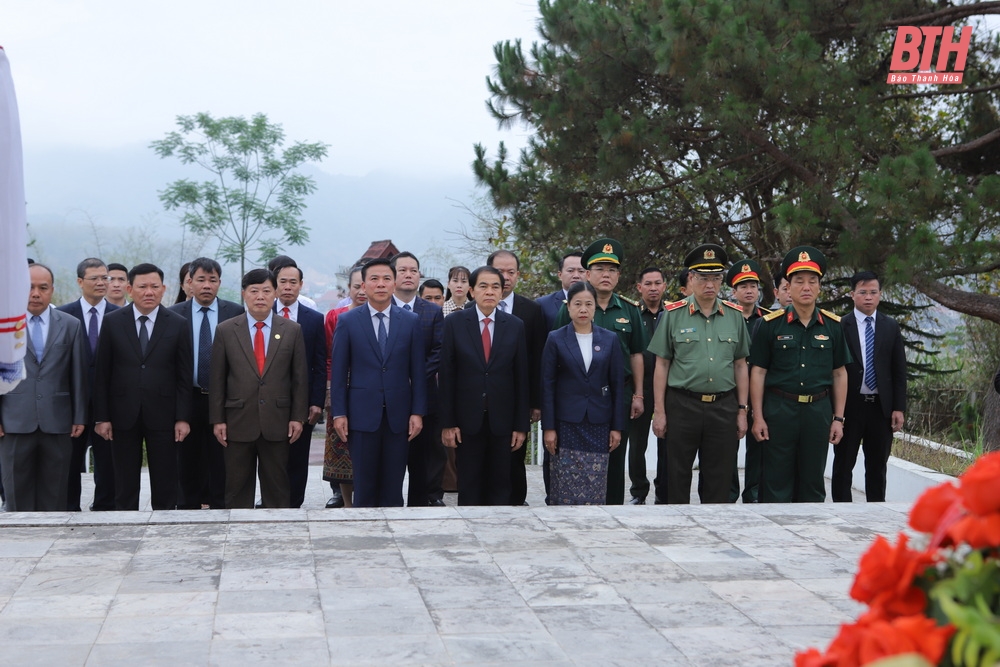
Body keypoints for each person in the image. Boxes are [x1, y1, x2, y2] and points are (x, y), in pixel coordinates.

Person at [649, 244, 750, 504]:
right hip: (682, 405)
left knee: (719, 478)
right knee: (676, 475)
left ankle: (715, 533)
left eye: (716, 278)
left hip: (723, 406)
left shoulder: (734, 316)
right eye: (703, 278)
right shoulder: (673, 314)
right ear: (691, 279)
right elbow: (661, 364)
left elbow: (741, 365)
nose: (710, 284)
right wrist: (659, 411)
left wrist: (741, 410)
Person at [750, 247, 850, 503]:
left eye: (812, 282)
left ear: (819, 288)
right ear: (788, 287)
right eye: (799, 282)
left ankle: (811, 539)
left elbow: (839, 373)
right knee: (775, 482)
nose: (806, 287)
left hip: (818, 412)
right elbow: (758, 371)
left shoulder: (834, 326)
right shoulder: (770, 325)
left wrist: (838, 418)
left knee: (813, 482)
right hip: (779, 410)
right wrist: (758, 416)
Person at [93, 263, 193, 510]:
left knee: (166, 479)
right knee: (124, 481)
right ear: (129, 289)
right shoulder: (113, 322)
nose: (149, 292)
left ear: (163, 289)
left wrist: (183, 418)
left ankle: (164, 527)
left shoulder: (177, 323)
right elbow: (102, 373)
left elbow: (183, 376)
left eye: (154, 286)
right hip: (122, 413)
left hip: (164, 413)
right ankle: (125, 526)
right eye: (142, 286)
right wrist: (102, 417)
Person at [554, 238, 646, 505]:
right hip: (578, 396)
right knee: (574, 458)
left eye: (612, 270)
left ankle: (614, 510)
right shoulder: (569, 309)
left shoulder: (630, 310)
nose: (606, 275)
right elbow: (558, 351)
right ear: (588, 274)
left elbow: (637, 353)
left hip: (619, 393)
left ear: (618, 275)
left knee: (615, 455)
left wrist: (639, 394)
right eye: (600, 269)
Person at [330, 259, 426, 508]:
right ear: (364, 285)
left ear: (394, 283)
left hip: (399, 415)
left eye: (386, 278)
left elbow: (418, 372)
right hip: (361, 415)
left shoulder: (411, 321)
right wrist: (339, 413)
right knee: (364, 485)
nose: (380, 284)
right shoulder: (348, 321)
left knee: (394, 485)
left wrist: (417, 412)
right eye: (374, 279)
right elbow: (339, 374)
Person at [209, 268, 308, 509]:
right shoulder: (226, 330)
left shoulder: (291, 330)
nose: (260, 296)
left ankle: (278, 534)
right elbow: (218, 378)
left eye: (266, 291)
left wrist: (298, 417)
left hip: (278, 418)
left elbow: (300, 378)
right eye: (254, 291)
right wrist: (218, 419)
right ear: (244, 294)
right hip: (237, 419)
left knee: (277, 486)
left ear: (275, 293)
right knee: (237, 485)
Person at [0, 264, 88, 511]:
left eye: (42, 287)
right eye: (28, 287)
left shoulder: (70, 325)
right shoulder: (4, 326)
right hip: (13, 421)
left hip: (58, 420)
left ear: (53, 290)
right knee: (17, 494)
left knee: (56, 492)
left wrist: (79, 415)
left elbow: (78, 374)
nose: (35, 293)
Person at [440, 265, 529, 506]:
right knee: (469, 485)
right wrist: (448, 423)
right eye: (483, 286)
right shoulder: (454, 323)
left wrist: (521, 425)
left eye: (495, 287)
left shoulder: (515, 325)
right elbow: (447, 375)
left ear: (502, 292)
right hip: (467, 420)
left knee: (501, 484)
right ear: (471, 291)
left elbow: (521, 377)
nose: (489, 291)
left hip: (503, 420)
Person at [168, 257, 244, 509]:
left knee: (221, 458)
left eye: (212, 280)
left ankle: (221, 507)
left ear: (220, 283)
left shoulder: (234, 312)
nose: (206, 286)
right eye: (201, 280)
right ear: (190, 282)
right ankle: (187, 508)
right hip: (188, 396)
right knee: (186, 459)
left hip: (222, 398)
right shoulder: (174, 315)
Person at [542, 281, 625, 505]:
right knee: (563, 483)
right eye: (577, 304)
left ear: (595, 307)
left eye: (589, 304)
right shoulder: (556, 338)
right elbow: (547, 385)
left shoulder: (609, 339)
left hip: (599, 423)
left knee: (595, 483)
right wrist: (548, 427)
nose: (583, 309)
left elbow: (618, 384)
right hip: (566, 423)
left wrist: (617, 427)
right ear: (568, 307)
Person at [832, 271, 907, 502]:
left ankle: (876, 512)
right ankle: (841, 510)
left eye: (873, 292)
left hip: (880, 408)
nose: (868, 297)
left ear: (880, 295)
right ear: (852, 294)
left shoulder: (890, 326)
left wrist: (898, 408)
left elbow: (898, 370)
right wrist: (836, 414)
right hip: (850, 406)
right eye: (862, 292)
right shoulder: (840, 325)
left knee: (877, 466)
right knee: (844, 464)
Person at [57, 257, 120, 511]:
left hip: (109, 402)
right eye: (95, 278)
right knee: (70, 460)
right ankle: (69, 507)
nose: (102, 283)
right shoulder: (62, 315)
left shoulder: (120, 316)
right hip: (72, 402)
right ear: (80, 282)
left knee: (108, 461)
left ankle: (105, 507)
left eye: (105, 277)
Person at [486, 249, 546, 505]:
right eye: (500, 271)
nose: (506, 277)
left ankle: (516, 503)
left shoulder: (531, 310)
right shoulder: (471, 310)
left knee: (514, 455)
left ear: (518, 275)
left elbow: (537, 360)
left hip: (517, 398)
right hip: (482, 399)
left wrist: (535, 402)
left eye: (511, 272)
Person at [272, 258, 327, 508]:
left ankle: (294, 503)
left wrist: (316, 401)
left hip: (301, 400)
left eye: (293, 282)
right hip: (268, 400)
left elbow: (319, 363)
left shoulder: (314, 319)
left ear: (301, 285)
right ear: (274, 284)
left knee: (297, 454)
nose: (287, 287)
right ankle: (272, 500)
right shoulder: (260, 312)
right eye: (282, 281)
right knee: (271, 455)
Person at [390, 251, 443, 507]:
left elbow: (439, 351)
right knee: (392, 456)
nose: (409, 274)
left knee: (423, 458)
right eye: (403, 270)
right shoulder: (382, 308)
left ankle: (422, 505)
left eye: (413, 270)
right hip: (389, 396)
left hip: (424, 397)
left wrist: (415, 377)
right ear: (393, 276)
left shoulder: (432, 312)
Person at [725, 259, 771, 503]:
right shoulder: (725, 317)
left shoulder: (769, 319)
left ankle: (752, 492)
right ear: (734, 292)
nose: (749, 290)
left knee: (759, 445)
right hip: (730, 391)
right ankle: (730, 492)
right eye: (743, 286)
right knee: (728, 445)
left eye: (753, 285)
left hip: (761, 393)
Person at [323, 264, 365, 508]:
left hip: (370, 391)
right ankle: (346, 501)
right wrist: (331, 392)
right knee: (342, 449)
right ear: (348, 288)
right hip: (342, 391)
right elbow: (329, 357)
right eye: (356, 286)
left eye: (364, 286)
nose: (361, 291)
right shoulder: (334, 317)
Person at [629, 266, 667, 505]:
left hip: (667, 388)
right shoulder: (633, 313)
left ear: (664, 286)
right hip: (640, 387)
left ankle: (663, 491)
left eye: (658, 283)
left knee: (668, 443)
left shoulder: (674, 312)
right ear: (639, 287)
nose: (653, 288)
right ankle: (638, 491)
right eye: (648, 283)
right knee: (638, 443)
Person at [536, 251, 585, 330]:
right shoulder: (543, 304)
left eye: (581, 271)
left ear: (589, 274)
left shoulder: (597, 302)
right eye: (570, 271)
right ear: (560, 275)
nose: (576, 276)